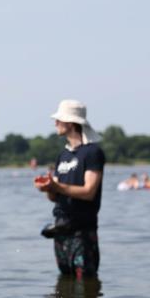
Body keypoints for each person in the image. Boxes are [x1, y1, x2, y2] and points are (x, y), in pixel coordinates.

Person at [34, 99, 105, 279]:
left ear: (71, 123)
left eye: (59, 119)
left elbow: (89, 192)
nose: (55, 123)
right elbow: (54, 196)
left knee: (85, 287)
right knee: (65, 284)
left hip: (82, 232)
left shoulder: (92, 152)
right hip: (60, 229)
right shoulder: (63, 155)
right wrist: (48, 188)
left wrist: (56, 186)